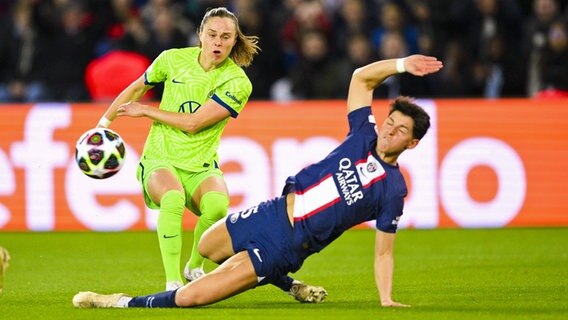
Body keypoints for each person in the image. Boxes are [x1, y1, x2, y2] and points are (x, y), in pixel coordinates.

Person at [73, 54, 443, 309]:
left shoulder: (392, 189)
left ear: (411, 143)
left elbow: (384, 251)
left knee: (191, 298)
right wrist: (401, 65)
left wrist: (386, 298)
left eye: (399, 132)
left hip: (287, 245)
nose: (389, 132)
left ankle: (118, 301)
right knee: (207, 245)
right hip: (271, 212)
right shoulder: (364, 132)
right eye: (390, 123)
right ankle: (288, 285)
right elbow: (361, 78)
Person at [93, 7, 260, 291]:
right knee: (172, 198)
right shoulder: (172, 59)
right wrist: (103, 124)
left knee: (218, 207)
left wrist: (147, 112)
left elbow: (194, 123)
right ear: (200, 35)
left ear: (234, 41)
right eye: (212, 35)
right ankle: (173, 283)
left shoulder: (237, 82)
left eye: (225, 37)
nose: (218, 42)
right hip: (160, 157)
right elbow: (135, 88)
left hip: (200, 164)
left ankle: (194, 266)